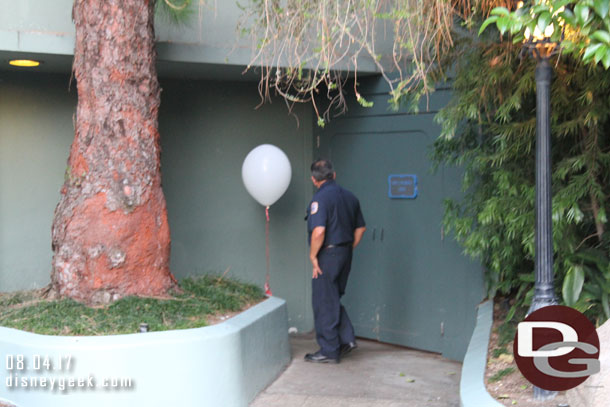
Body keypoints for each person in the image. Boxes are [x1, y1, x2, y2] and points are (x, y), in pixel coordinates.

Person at [304, 159, 366, 363]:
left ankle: (329, 351)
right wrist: (347, 248)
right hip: (345, 253)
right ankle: (346, 339)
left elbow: (319, 231)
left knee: (323, 301)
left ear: (314, 179)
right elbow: (361, 228)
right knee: (331, 298)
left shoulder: (319, 200)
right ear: (334, 175)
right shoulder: (350, 197)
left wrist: (314, 256)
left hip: (327, 255)